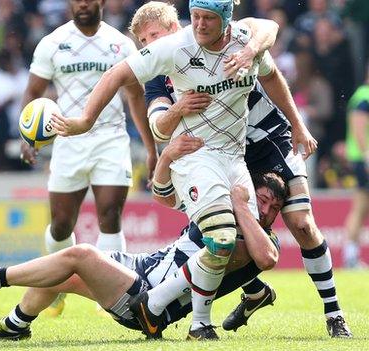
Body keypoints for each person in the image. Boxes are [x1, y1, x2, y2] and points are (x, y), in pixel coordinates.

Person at [51, 0, 317, 339]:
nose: (201, 25)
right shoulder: (169, 55)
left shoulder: (243, 43)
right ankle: (157, 305)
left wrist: (254, 56)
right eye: (195, 17)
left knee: (245, 247)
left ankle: (205, 320)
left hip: (235, 159)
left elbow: (270, 43)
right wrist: (86, 120)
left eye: (208, 18)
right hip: (196, 158)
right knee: (220, 239)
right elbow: (133, 96)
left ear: (225, 19)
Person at [128, 1, 351, 338]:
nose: (149, 46)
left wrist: (251, 54)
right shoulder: (159, 78)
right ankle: (238, 299)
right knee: (222, 237)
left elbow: (268, 31)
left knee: (302, 224)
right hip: (225, 157)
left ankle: (334, 314)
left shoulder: (219, 38)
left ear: (175, 28)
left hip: (269, 139)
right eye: (142, 42)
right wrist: (164, 141)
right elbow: (157, 122)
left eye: (153, 36)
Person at [0, 137, 286, 341]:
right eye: (263, 199)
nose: (267, 209)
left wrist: (242, 205)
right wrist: (166, 155)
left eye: (274, 206)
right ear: (253, 193)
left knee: (80, 254)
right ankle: (14, 327)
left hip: (150, 302)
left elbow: (265, 258)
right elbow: (163, 196)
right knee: (61, 271)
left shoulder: (257, 240)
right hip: (141, 268)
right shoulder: (219, 211)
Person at [19, 0, 157, 314]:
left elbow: (134, 96)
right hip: (68, 141)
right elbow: (33, 92)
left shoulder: (121, 44)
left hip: (110, 138)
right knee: (60, 226)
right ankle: (58, 287)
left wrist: (150, 148)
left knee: (110, 215)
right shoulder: (52, 44)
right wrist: (25, 136)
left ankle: (111, 294)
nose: (82, 3)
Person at [344, 68, 369, 268]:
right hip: (364, 159)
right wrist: (366, 155)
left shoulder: (360, 95)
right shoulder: (364, 97)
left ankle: (351, 256)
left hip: (361, 158)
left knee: (361, 208)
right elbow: (358, 126)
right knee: (360, 208)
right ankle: (350, 257)